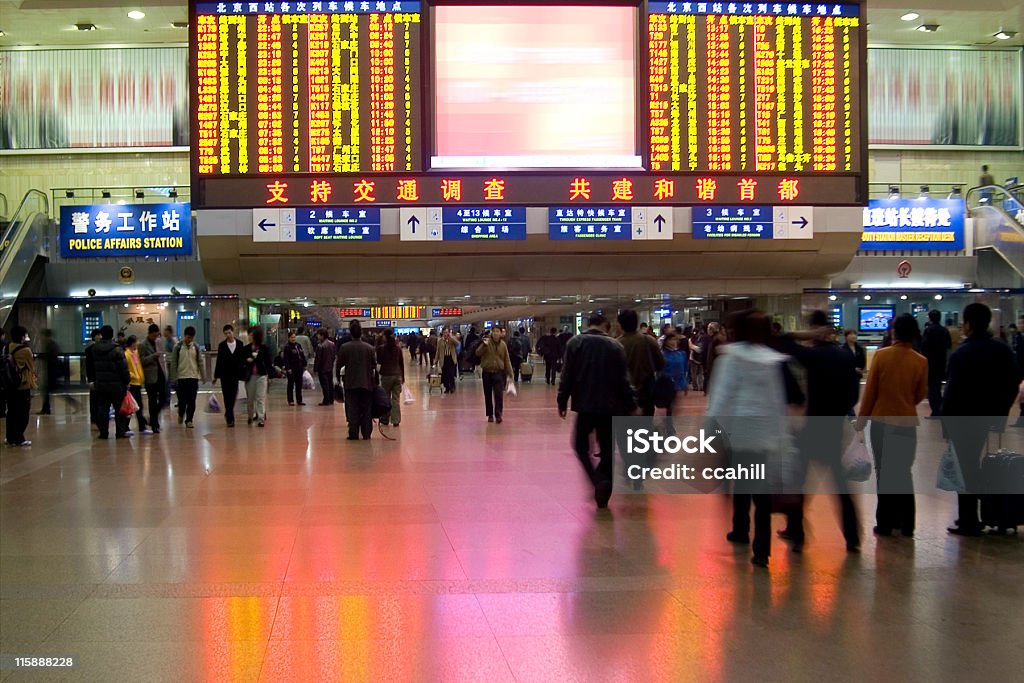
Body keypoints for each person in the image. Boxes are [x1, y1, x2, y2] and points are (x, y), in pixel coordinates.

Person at [707, 310, 792, 568]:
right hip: (765, 433)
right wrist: (781, 437)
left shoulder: (731, 358)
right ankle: (762, 549)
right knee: (762, 495)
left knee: (742, 485)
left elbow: (722, 398)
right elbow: (777, 401)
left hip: (740, 433)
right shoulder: (771, 360)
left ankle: (741, 530)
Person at [777, 312, 862, 553]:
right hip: (835, 427)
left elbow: (784, 340)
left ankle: (796, 532)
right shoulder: (845, 357)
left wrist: (804, 334)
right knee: (841, 485)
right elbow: (853, 396)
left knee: (799, 482)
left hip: (813, 426)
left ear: (815, 329)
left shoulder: (814, 356)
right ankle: (852, 537)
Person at [943, 303, 1021, 536]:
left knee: (964, 467)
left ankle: (968, 519)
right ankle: (993, 512)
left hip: (963, 419)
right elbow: (1013, 380)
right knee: (978, 464)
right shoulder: (1002, 349)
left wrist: (947, 423)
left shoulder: (962, 353)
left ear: (967, 324)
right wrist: (1000, 410)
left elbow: (952, 392)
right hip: (988, 416)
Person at [856, 313, 927, 538]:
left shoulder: (881, 356)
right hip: (907, 422)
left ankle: (885, 522)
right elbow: (920, 394)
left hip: (882, 421)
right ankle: (907, 524)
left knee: (884, 472)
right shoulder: (920, 361)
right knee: (903, 472)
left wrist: (861, 421)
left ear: (893, 331)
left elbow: (870, 393)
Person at [557, 313, 637, 509]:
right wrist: (631, 404)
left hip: (585, 404)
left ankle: (595, 480)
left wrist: (562, 400)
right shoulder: (615, 346)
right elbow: (623, 380)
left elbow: (567, 374)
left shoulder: (575, 343)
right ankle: (604, 491)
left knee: (580, 445)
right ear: (605, 325)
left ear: (588, 324)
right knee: (607, 448)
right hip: (610, 406)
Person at [617, 309, 665, 417]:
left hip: (624, 396)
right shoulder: (649, 341)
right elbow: (661, 363)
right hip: (646, 393)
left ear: (620, 325)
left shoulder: (616, 344)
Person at [337, 320, 377, 440]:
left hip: (350, 382)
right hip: (367, 382)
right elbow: (374, 366)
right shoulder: (369, 348)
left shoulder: (345, 347)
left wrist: (338, 379)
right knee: (366, 408)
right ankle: (366, 433)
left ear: (351, 333)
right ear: (361, 333)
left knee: (352, 408)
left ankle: (353, 433)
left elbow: (339, 365)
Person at [92, 325, 131, 440]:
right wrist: (127, 380)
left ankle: (103, 433)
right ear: (112, 334)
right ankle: (120, 432)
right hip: (117, 386)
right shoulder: (117, 349)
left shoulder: (95, 349)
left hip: (102, 385)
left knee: (103, 410)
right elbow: (123, 368)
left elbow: (94, 367)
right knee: (119, 410)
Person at [475, 326, 514, 424]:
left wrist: (510, 374)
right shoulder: (486, 343)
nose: (496, 333)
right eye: (494, 331)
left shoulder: (503, 345)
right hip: (487, 372)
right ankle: (490, 415)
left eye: (498, 331)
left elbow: (507, 360)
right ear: (491, 333)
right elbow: (477, 353)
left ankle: (498, 414)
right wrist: (483, 345)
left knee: (498, 394)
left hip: (498, 373)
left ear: (501, 333)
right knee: (487, 394)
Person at [169, 325, 205, 428]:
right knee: (182, 401)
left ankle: (189, 420)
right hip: (181, 378)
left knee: (192, 401)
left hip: (193, 377)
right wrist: (174, 377)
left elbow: (200, 362)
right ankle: (181, 414)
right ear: (185, 336)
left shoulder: (196, 347)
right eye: (188, 337)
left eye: (191, 337)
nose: (189, 339)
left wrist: (203, 376)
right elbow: (174, 363)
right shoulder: (178, 347)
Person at [5, 326, 36, 447]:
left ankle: (10, 437)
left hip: (9, 384)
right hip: (22, 385)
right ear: (22, 336)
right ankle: (19, 438)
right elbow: (31, 366)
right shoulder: (26, 350)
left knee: (11, 411)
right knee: (23, 412)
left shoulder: (7, 347)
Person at [213, 324, 246, 427]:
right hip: (225, 375)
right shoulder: (222, 346)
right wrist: (216, 375)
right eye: (226, 333)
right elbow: (219, 361)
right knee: (226, 396)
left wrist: (244, 374)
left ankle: (228, 413)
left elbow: (242, 360)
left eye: (229, 333)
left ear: (233, 332)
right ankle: (230, 418)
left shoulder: (240, 344)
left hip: (235, 375)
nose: (228, 335)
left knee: (233, 395)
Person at [921, 309, 952, 417]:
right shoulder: (944, 330)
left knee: (932, 387)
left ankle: (936, 411)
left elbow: (924, 346)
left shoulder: (928, 330)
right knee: (938, 386)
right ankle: (940, 408)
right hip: (941, 361)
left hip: (930, 362)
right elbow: (948, 345)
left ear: (930, 318)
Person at [139, 324, 167, 434]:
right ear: (149, 334)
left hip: (161, 374)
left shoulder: (159, 342)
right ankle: (155, 424)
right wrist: (152, 356)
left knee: (164, 399)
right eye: (154, 335)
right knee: (152, 401)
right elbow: (141, 361)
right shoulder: (142, 345)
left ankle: (153, 418)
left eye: (157, 335)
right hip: (150, 377)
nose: (156, 337)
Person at [243, 326, 273, 427]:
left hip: (261, 375)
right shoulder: (246, 349)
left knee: (260, 398)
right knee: (250, 398)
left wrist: (270, 376)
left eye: (251, 335)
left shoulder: (264, 348)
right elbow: (242, 361)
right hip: (250, 376)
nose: (249, 337)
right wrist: (247, 361)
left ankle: (261, 418)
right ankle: (250, 416)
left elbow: (268, 363)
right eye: (249, 335)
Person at [376, 328, 405, 428]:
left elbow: (379, 361)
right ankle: (396, 420)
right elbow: (401, 363)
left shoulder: (381, 348)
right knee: (396, 399)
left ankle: (385, 418)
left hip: (386, 375)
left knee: (386, 398)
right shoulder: (398, 348)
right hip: (397, 375)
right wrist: (403, 377)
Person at [124, 336, 151, 435]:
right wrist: (133, 376)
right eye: (136, 342)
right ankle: (126, 427)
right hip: (131, 383)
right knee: (131, 406)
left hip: (137, 383)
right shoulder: (126, 354)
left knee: (138, 406)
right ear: (132, 343)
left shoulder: (135, 354)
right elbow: (126, 369)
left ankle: (141, 426)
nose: (137, 344)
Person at [37, 328, 63, 415]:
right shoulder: (50, 344)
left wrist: (41, 357)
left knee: (48, 390)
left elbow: (51, 357)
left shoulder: (52, 345)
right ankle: (46, 409)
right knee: (47, 391)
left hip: (52, 371)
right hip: (51, 370)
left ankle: (46, 409)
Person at [841, 329, 866, 417]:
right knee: (849, 395)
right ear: (846, 337)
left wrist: (861, 369)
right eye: (851, 334)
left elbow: (863, 360)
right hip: (847, 376)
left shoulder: (859, 348)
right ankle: (850, 413)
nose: (853, 336)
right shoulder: (842, 349)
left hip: (857, 376)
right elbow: (842, 363)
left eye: (854, 334)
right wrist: (853, 369)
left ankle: (849, 410)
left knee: (855, 396)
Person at [661, 331, 689, 406]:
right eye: (671, 339)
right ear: (666, 341)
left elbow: (684, 370)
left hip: (678, 386)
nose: (674, 342)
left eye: (675, 339)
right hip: (666, 386)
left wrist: (685, 384)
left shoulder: (682, 354)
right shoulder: (662, 354)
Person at [84, 328, 103, 429]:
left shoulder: (103, 348)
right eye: (97, 335)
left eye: (100, 335)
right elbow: (88, 366)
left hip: (102, 377)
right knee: (94, 398)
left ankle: (99, 419)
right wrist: (90, 380)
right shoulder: (89, 350)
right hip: (94, 377)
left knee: (101, 399)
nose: (99, 337)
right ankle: (94, 419)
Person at [282, 331, 308, 406]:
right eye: (292, 337)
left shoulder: (298, 346)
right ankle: (290, 400)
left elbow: (302, 355)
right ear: (288, 338)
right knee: (291, 384)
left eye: (294, 337)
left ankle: (299, 400)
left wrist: (304, 364)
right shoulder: (287, 347)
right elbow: (286, 359)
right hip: (292, 369)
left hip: (299, 368)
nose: (293, 339)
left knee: (299, 385)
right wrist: (288, 368)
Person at [314, 329, 337, 406]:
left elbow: (318, 358)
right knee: (330, 383)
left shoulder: (320, 346)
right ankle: (331, 399)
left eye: (318, 335)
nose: (317, 336)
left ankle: (326, 400)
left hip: (322, 368)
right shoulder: (332, 344)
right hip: (330, 367)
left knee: (324, 385)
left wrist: (316, 368)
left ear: (322, 336)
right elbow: (334, 356)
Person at [703, 322, 727, 391]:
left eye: (709, 328)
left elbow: (711, 355)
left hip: (715, 367)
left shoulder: (716, 340)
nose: (708, 330)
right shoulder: (714, 339)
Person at [437, 327, 459, 393]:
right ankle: (447, 387)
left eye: (447, 332)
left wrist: (451, 337)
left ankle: (452, 387)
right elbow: (438, 351)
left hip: (451, 359)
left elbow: (457, 343)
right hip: (444, 359)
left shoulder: (452, 339)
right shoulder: (440, 341)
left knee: (451, 374)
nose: (445, 334)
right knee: (445, 374)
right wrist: (435, 361)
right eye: (444, 332)